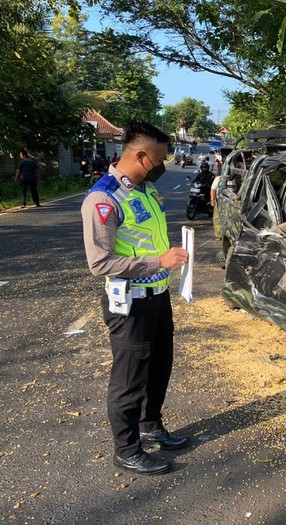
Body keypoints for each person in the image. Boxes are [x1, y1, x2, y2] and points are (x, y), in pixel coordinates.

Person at [81, 120, 190, 476]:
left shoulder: (143, 191)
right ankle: (127, 449)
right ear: (141, 156)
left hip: (157, 297)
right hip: (129, 303)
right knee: (129, 380)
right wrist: (158, 260)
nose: (162, 167)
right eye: (159, 160)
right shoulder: (104, 198)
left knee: (159, 367)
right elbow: (100, 263)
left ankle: (150, 425)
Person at [210, 172, 222, 240]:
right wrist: (212, 200)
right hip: (220, 200)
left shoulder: (236, 178)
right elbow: (213, 189)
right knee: (217, 217)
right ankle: (218, 235)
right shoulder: (219, 178)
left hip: (231, 200)